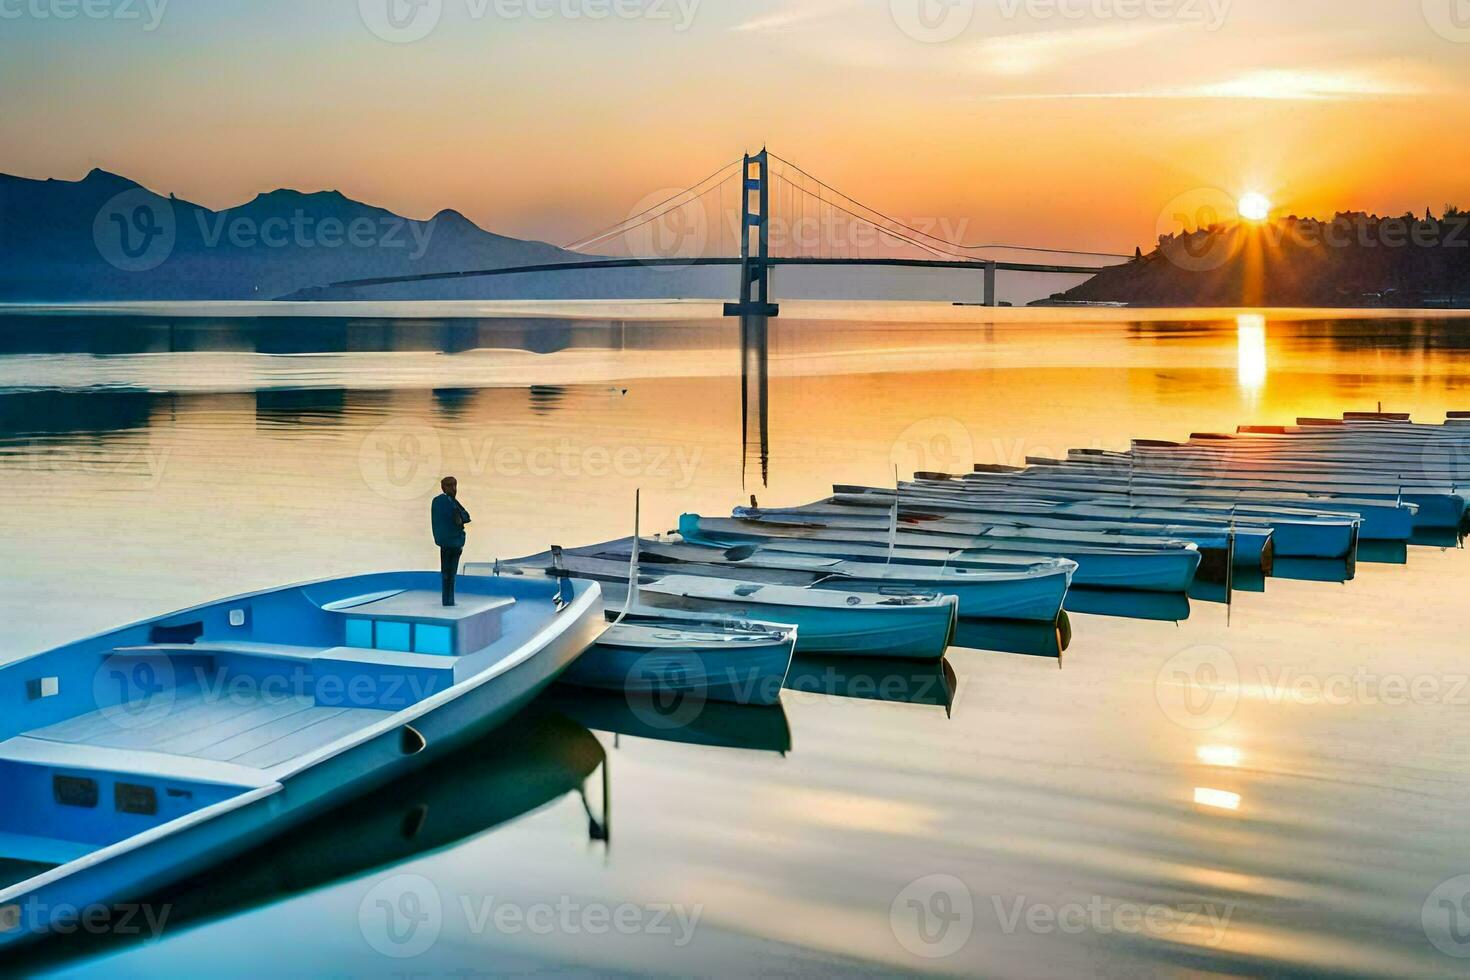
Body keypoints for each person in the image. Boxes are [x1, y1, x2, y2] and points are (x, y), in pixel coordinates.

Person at [431, 476, 471, 607]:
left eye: (455, 485)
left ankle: (449, 600)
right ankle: (448, 601)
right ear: (443, 487)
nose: (453, 489)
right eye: (450, 486)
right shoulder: (443, 502)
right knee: (448, 574)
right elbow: (462, 517)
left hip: (453, 542)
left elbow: (466, 516)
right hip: (450, 542)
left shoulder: (451, 502)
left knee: (449, 574)